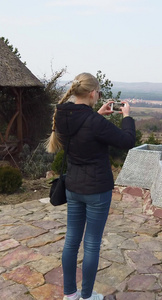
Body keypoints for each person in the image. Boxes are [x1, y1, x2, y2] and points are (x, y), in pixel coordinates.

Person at [46, 72, 136, 300]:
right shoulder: (94, 122)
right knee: (92, 243)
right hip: (97, 190)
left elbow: (81, 131)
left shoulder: (63, 114)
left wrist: (97, 113)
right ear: (93, 93)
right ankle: (86, 296)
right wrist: (126, 116)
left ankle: (70, 294)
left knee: (71, 240)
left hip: (73, 187)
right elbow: (127, 141)